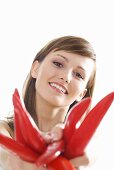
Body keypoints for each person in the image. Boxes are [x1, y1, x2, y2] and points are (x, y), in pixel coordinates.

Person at [0, 35, 96, 170]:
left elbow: (92, 150)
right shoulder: (5, 129)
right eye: (58, 64)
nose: (66, 77)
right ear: (35, 69)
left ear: (82, 94)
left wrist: (87, 152)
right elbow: (4, 152)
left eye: (78, 75)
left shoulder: (85, 139)